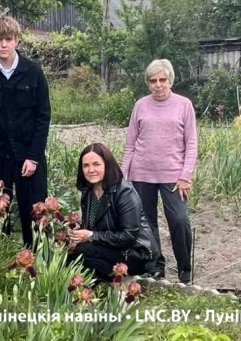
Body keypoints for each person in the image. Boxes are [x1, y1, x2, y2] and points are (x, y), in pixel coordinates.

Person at [0, 15, 50, 249]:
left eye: (8, 39)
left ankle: (37, 266)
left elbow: (43, 117)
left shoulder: (33, 73)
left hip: (29, 158)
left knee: (35, 215)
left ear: (17, 40)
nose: (3, 45)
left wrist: (34, 156)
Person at [121, 59, 197, 284]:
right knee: (147, 223)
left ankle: (184, 269)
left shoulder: (184, 105)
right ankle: (156, 266)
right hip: (141, 174)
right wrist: (123, 176)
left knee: (179, 220)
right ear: (148, 84)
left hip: (173, 177)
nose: (158, 85)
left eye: (162, 80)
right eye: (153, 81)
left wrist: (185, 176)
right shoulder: (140, 106)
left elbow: (191, 143)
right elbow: (131, 143)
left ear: (170, 81)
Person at [68, 143, 157, 282]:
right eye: (85, 166)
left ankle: (121, 281)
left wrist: (91, 236)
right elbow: (91, 226)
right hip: (110, 246)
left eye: (96, 164)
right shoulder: (88, 192)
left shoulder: (124, 192)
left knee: (83, 251)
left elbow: (128, 236)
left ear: (107, 165)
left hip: (135, 253)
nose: (90, 170)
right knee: (69, 253)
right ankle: (103, 281)